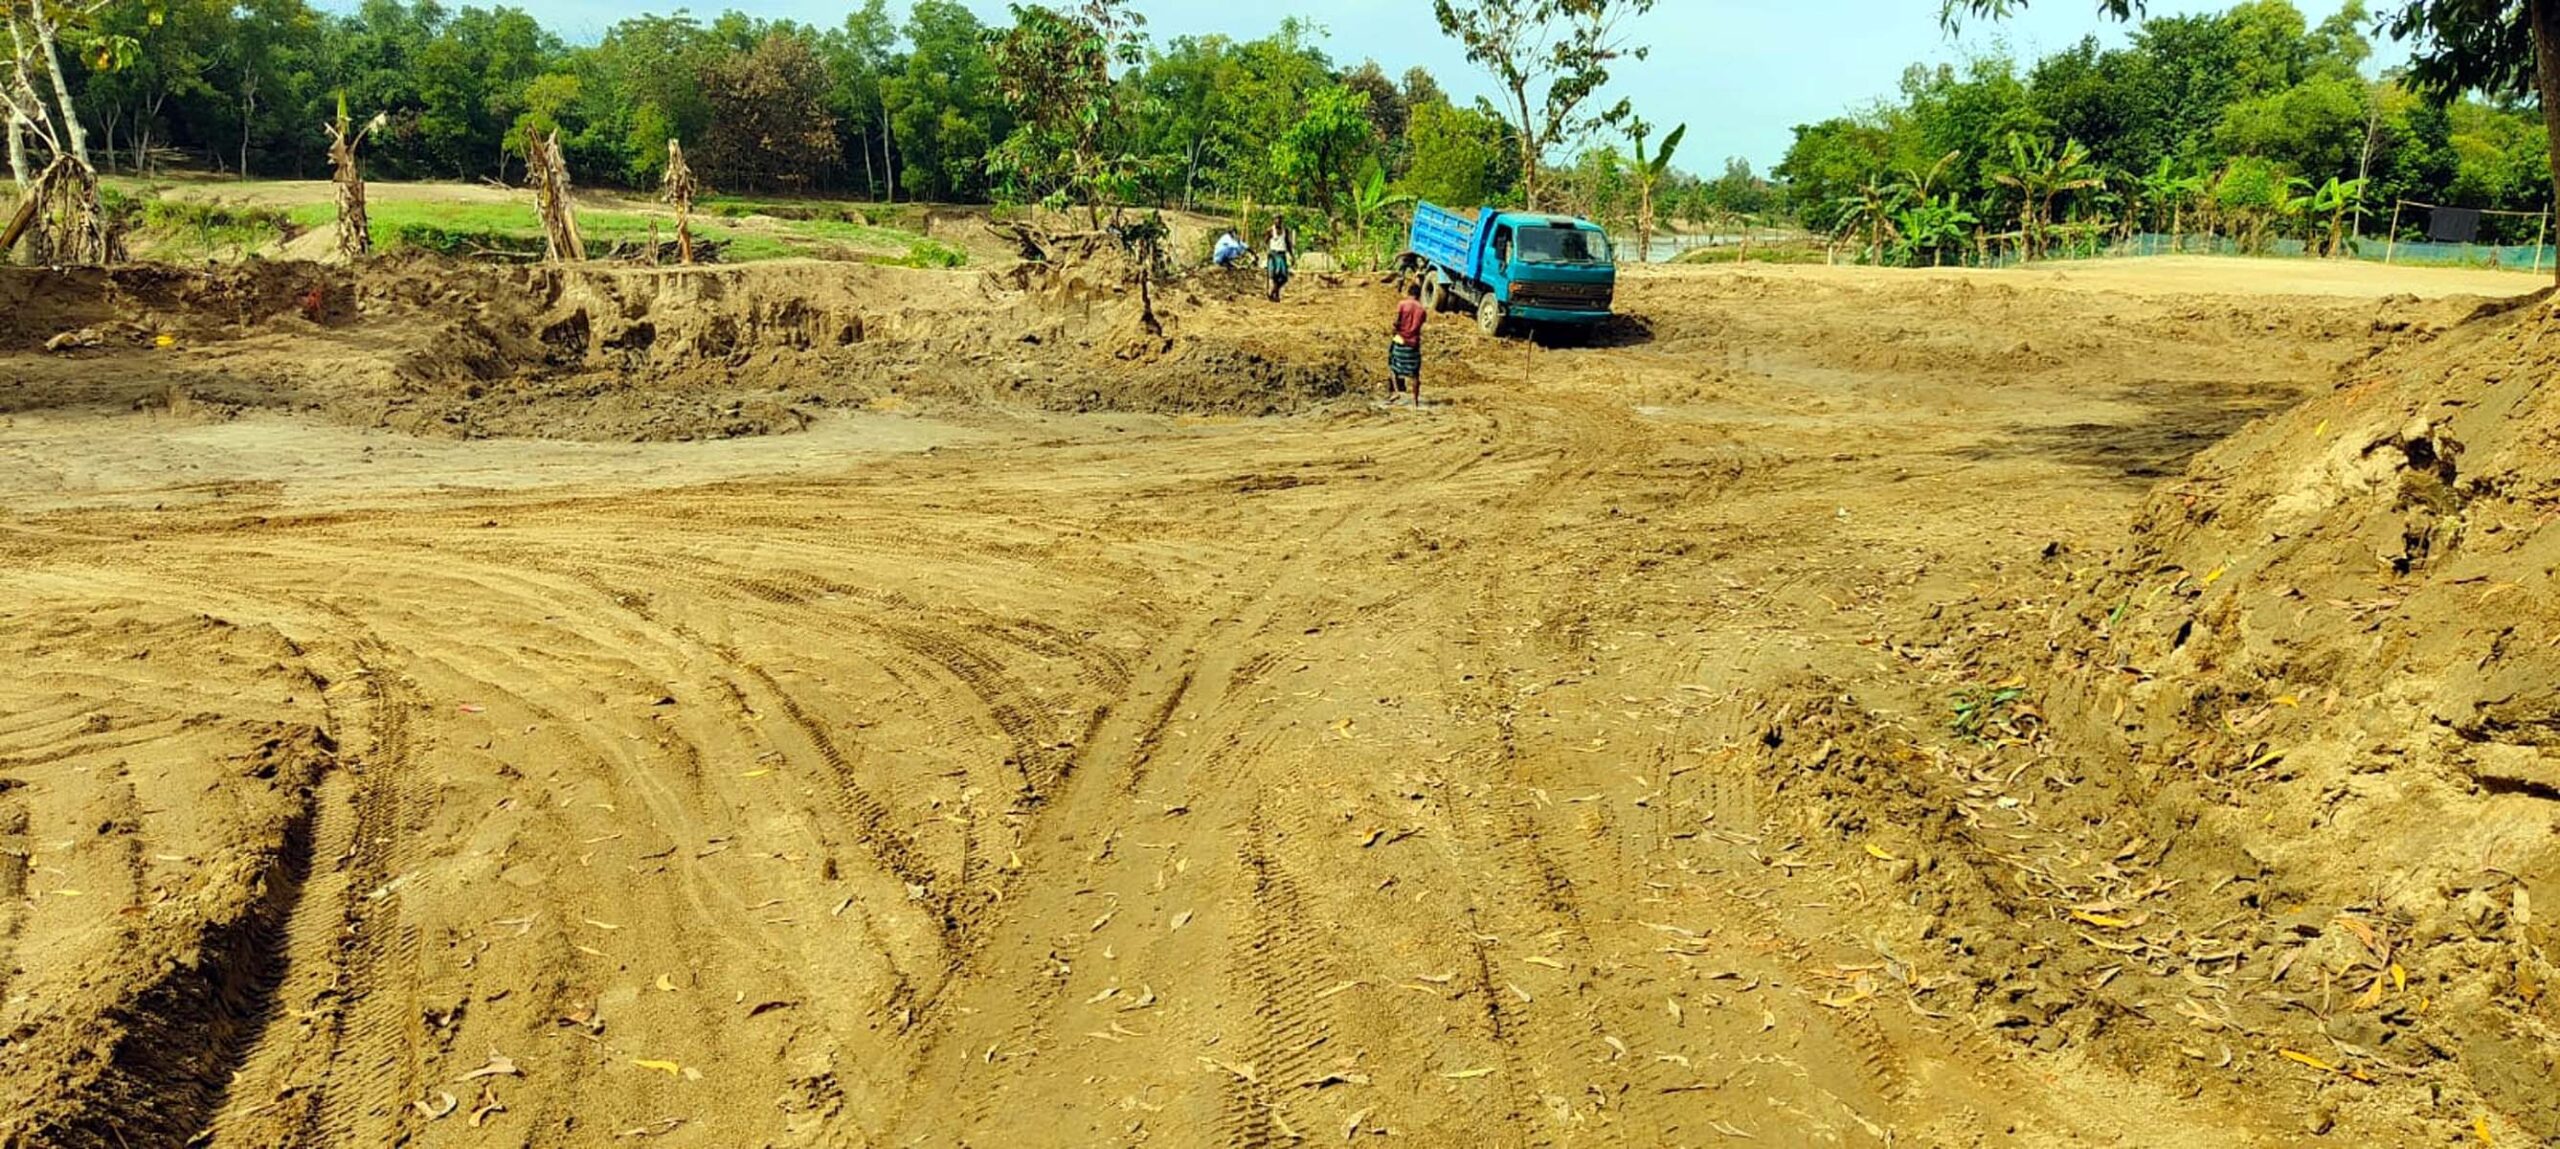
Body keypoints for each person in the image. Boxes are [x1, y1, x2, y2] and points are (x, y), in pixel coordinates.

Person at [1387, 278, 1427, 406]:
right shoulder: (1422, 310)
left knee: (1393, 365)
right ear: (1419, 295)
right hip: (1414, 343)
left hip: (1400, 338)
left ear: (1409, 292)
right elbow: (1420, 325)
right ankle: (1415, 401)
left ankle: (1397, 391)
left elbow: (1396, 322)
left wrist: (1394, 331)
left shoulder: (1402, 304)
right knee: (1415, 374)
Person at [1265, 221, 1294, 302]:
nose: (1278, 221)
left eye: (1279, 219)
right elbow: (1265, 241)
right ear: (1274, 221)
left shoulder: (1285, 230)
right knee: (1274, 275)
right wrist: (1268, 250)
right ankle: (1276, 295)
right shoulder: (1270, 230)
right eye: (1276, 219)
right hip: (1273, 254)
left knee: (1284, 277)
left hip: (1282, 255)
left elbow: (1288, 243)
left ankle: (1273, 291)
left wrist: (1291, 255)